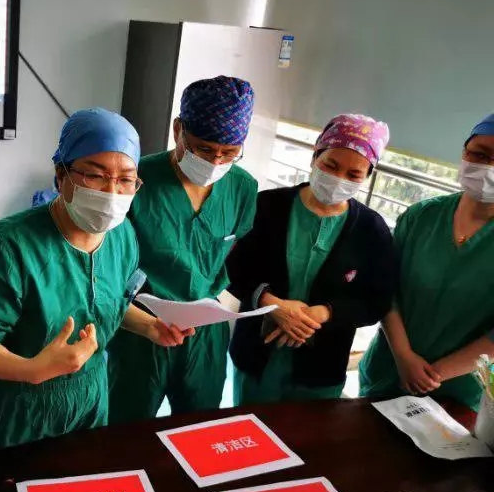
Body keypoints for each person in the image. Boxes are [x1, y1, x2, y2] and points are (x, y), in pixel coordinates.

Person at [0, 108, 192, 454]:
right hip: (18, 409)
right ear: (61, 174)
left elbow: (105, 302)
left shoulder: (122, 236)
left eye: (126, 179)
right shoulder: (8, 246)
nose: (112, 192)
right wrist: (33, 369)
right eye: (95, 175)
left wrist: (151, 326)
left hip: (90, 398)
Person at [107, 76, 257, 423]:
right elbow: (110, 260)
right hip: (142, 323)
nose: (216, 161)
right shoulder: (136, 180)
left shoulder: (242, 187)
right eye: (203, 149)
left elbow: (234, 251)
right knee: (128, 424)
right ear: (178, 130)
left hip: (205, 327)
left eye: (229, 153)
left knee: (200, 424)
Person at [227, 114, 396, 403]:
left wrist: (323, 313)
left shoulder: (372, 230)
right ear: (315, 156)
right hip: (257, 353)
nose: (338, 179)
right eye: (330, 165)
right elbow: (234, 268)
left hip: (321, 365)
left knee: (308, 431)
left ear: (367, 176)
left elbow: (376, 300)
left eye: (353, 175)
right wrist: (271, 303)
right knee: (248, 423)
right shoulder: (267, 205)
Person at [359, 113, 494, 411]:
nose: (488, 168)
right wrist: (403, 357)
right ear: (464, 153)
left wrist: (434, 375)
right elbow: (385, 288)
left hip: (457, 390)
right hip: (388, 368)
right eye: (480, 155)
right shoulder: (421, 216)